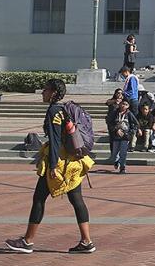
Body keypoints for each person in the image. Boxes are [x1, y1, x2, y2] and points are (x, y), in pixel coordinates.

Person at [5, 78, 95, 255]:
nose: (42, 92)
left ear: (54, 92)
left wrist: (53, 165)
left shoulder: (54, 111)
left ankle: (28, 241)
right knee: (77, 200)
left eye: (45, 90)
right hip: (74, 162)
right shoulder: (64, 109)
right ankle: (86, 241)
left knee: (39, 198)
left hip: (60, 162)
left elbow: (54, 141)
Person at [110, 98, 132, 173]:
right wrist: (116, 130)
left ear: (128, 106)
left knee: (123, 153)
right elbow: (110, 123)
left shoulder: (129, 114)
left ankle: (122, 167)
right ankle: (116, 161)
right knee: (114, 154)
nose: (123, 106)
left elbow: (135, 123)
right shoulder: (115, 113)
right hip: (116, 136)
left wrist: (131, 132)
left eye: (126, 105)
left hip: (125, 136)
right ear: (119, 104)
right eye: (122, 104)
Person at [103, 87, 125, 164]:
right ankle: (113, 154)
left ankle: (118, 156)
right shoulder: (112, 101)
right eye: (118, 93)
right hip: (111, 123)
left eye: (121, 93)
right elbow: (107, 102)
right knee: (112, 139)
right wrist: (115, 101)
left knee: (119, 140)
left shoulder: (124, 102)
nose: (119, 94)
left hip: (120, 123)